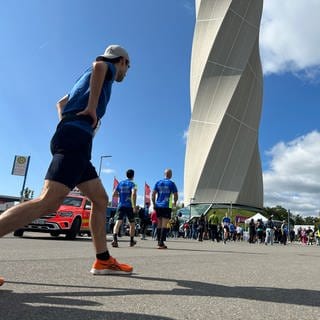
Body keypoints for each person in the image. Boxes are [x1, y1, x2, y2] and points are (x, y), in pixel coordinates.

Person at [0, 44, 132, 284]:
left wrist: (67, 121)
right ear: (121, 60)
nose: (126, 71)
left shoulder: (83, 78)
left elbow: (61, 102)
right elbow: (99, 64)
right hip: (75, 138)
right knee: (49, 201)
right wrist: (91, 109)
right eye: (128, 66)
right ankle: (102, 259)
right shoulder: (108, 67)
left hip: (75, 137)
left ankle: (102, 259)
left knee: (100, 199)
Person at [152, 169, 178, 249]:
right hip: (167, 205)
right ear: (170, 174)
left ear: (164, 174)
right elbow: (175, 195)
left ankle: (158, 241)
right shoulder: (171, 183)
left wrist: (154, 203)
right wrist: (175, 202)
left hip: (158, 205)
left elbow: (153, 194)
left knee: (159, 223)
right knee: (164, 224)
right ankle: (161, 243)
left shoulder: (158, 182)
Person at [111, 169, 137, 247]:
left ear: (126, 175)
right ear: (133, 175)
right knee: (132, 224)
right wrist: (134, 206)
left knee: (118, 222)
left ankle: (114, 240)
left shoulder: (120, 183)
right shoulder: (133, 184)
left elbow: (113, 194)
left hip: (121, 205)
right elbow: (134, 194)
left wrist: (121, 196)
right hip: (129, 206)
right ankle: (131, 241)